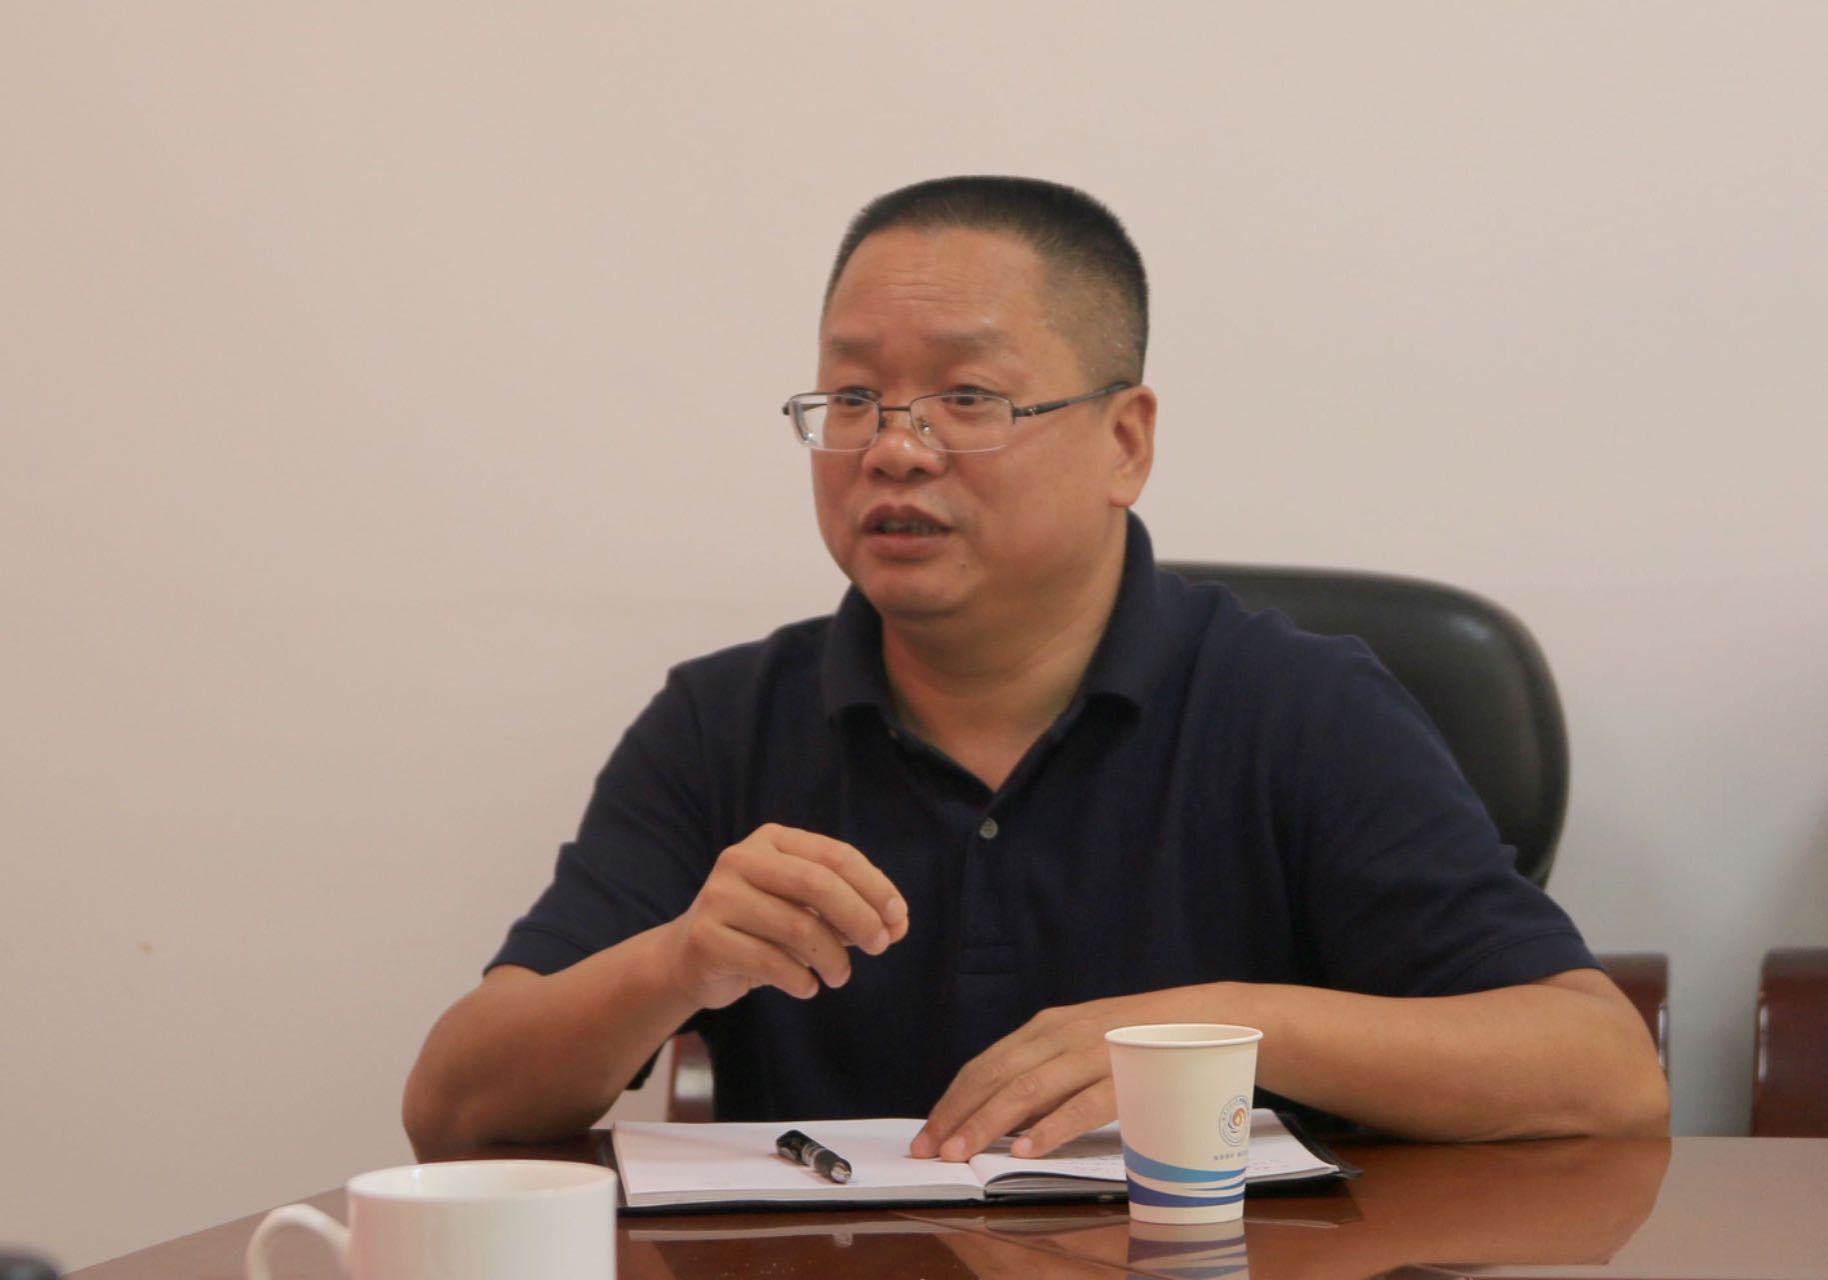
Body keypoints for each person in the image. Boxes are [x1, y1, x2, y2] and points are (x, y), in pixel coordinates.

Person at [403, 176, 1668, 1162]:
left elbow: (1602, 1070)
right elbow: (451, 1108)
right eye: (852, 397)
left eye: (967, 396)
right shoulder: (721, 721)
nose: (894, 449)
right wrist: (672, 963)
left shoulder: (1299, 708)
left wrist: (1203, 1032)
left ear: (1125, 441)